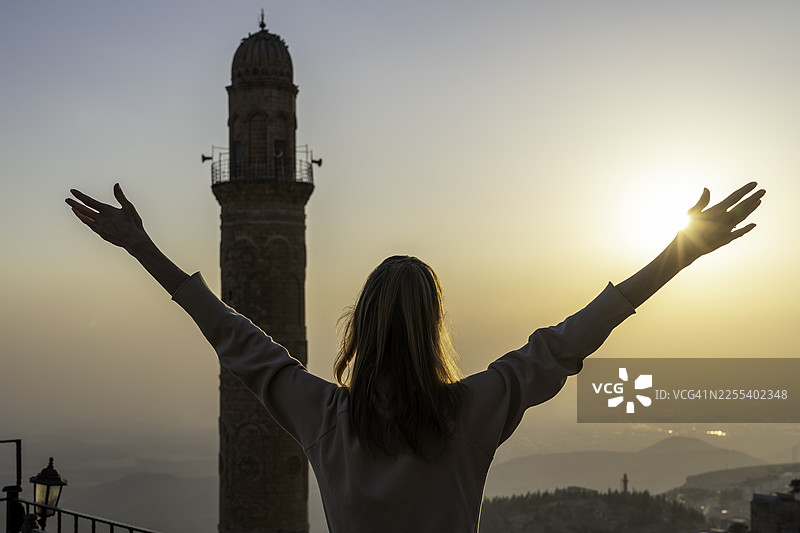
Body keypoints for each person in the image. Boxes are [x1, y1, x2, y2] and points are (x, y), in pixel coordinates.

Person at [65, 182, 764, 532]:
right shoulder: (477, 409)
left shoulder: (325, 418)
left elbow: (230, 333)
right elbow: (572, 338)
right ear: (434, 328)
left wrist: (140, 247)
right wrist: (681, 253)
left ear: (359, 330)